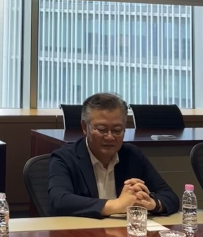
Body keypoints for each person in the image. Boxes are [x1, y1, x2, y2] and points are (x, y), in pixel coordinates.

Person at [49, 92, 179, 218]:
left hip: (123, 230)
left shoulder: (132, 155)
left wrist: (152, 204)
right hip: (83, 230)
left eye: (117, 130)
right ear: (84, 127)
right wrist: (117, 205)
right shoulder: (65, 157)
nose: (110, 137)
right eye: (102, 129)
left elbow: (170, 197)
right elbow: (59, 201)